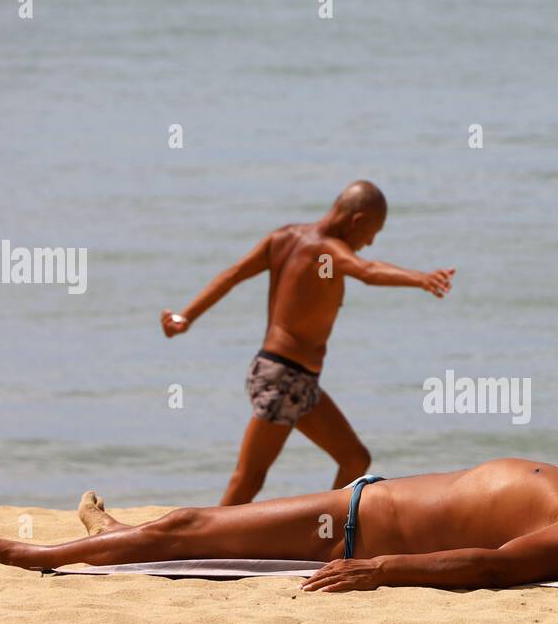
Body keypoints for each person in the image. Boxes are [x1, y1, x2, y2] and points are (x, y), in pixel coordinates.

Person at [0, 456, 558, 592]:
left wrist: (381, 569)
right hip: (364, 506)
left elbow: (494, 563)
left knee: (190, 524)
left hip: (358, 529)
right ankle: (115, 532)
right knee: (198, 526)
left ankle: (15, 554)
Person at [161, 180, 455, 504]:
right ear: (356, 221)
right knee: (249, 478)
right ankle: (204, 544)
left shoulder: (283, 238)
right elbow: (367, 270)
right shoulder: (327, 251)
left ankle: (321, 530)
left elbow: (232, 275)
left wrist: (186, 316)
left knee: (354, 459)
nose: (370, 242)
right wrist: (422, 279)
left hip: (298, 380)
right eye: (373, 233)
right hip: (282, 377)